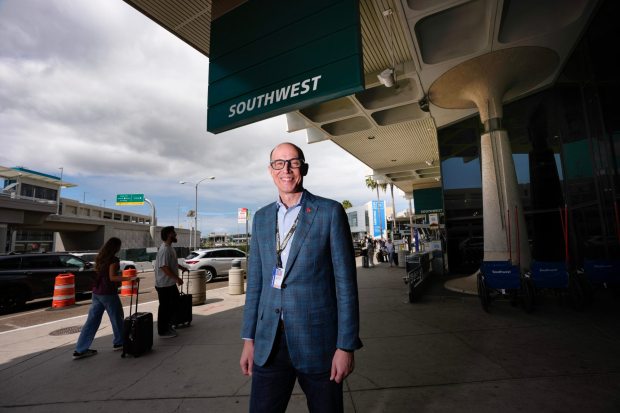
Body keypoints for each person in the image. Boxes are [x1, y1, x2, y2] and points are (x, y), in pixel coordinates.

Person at [240, 142, 363, 413]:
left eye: (293, 162)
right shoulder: (260, 218)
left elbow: (346, 286)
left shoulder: (329, 212)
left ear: (303, 168)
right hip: (269, 344)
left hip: (319, 344)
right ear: (270, 170)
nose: (286, 169)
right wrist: (249, 339)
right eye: (278, 163)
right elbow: (256, 285)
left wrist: (345, 346)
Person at [73, 237, 135, 360]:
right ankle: (119, 342)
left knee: (92, 321)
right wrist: (130, 279)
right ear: (115, 247)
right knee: (117, 318)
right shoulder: (114, 260)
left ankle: (80, 349)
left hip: (97, 292)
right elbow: (112, 278)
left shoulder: (101, 258)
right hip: (108, 293)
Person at [154, 226, 187, 338]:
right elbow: (164, 267)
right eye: (174, 233)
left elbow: (170, 263)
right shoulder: (165, 249)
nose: (176, 234)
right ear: (169, 234)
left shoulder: (170, 248)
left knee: (174, 304)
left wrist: (181, 267)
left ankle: (168, 325)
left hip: (169, 284)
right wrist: (177, 279)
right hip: (164, 284)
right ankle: (163, 331)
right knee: (165, 307)